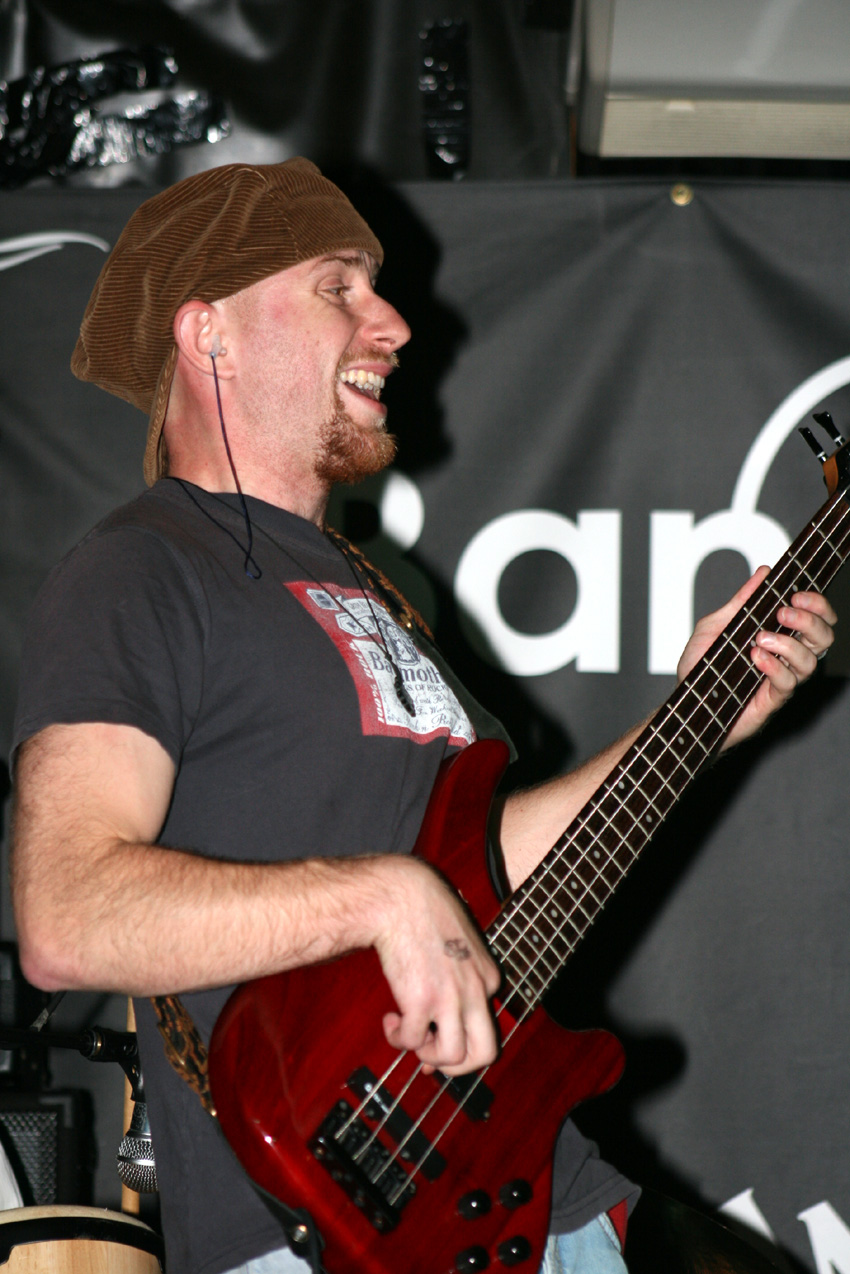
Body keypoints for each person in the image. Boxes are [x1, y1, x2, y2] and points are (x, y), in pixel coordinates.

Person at [9, 160, 836, 1274]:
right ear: (210, 336)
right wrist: (384, 897)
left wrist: (702, 710)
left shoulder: (378, 586)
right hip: (336, 1224)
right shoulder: (143, 567)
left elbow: (484, 868)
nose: (393, 324)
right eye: (337, 287)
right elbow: (67, 915)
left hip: (532, 1185)